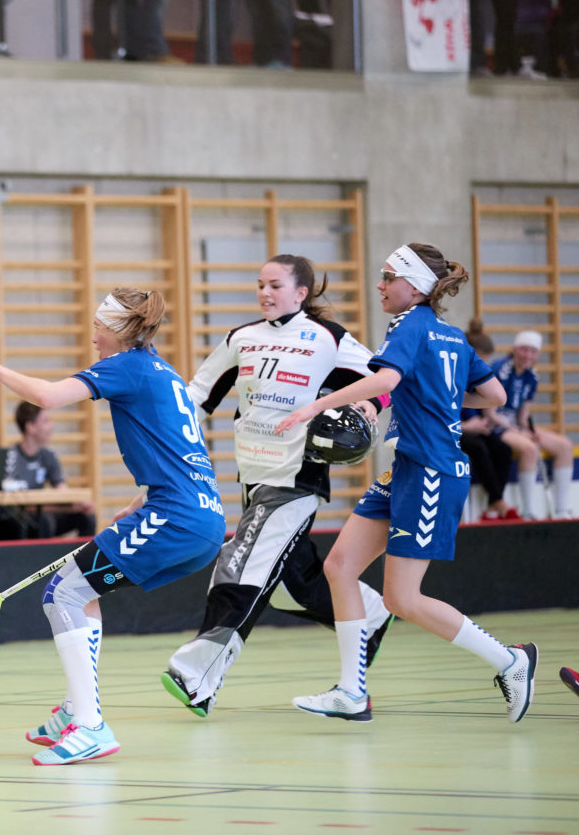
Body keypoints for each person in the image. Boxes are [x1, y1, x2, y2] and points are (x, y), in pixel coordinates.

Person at [0, 288, 227, 765]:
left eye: (101, 326)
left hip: (176, 518)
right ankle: (74, 710)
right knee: (80, 592)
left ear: (122, 330)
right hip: (198, 516)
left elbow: (46, 396)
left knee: (62, 593)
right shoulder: (163, 372)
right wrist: (138, 501)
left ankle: (89, 725)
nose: (94, 335)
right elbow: (180, 452)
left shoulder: (126, 365)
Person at [275, 242, 538, 724]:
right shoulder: (452, 336)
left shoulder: (409, 325)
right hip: (404, 470)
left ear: (414, 286)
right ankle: (352, 692)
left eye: (388, 276)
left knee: (402, 598)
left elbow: (385, 381)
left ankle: (511, 661)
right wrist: (438, 398)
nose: (380, 284)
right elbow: (494, 394)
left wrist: (315, 405)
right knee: (339, 567)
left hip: (431, 472)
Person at [161, 255, 393, 718]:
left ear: (301, 292)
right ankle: (370, 613)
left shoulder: (327, 338)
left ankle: (198, 675)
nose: (265, 293)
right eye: (260, 285)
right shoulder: (241, 339)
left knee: (239, 563)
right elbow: (195, 398)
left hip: (297, 477)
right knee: (294, 585)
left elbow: (385, 377)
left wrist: (370, 405)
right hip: (251, 476)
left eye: (275, 285)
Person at [484, 330, 574, 520]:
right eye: (524, 350)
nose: (528, 356)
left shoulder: (532, 376)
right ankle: (527, 511)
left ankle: (561, 510)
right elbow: (489, 414)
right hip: (495, 425)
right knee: (529, 448)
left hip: (515, 425)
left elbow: (523, 416)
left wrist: (529, 430)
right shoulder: (500, 369)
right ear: (515, 350)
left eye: (533, 352)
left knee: (565, 446)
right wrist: (519, 432)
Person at [0, 401, 95, 540]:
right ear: (30, 427)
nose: (51, 426)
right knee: (43, 520)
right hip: (14, 518)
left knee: (87, 517)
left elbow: (61, 491)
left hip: (42, 511)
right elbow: (15, 505)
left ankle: (85, 560)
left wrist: (77, 504)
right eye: (45, 421)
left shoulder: (48, 456)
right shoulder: (10, 457)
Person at [459, 319, 518, 521]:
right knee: (478, 448)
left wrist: (482, 423)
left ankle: (493, 504)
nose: (484, 367)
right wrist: (468, 426)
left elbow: (480, 408)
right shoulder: (452, 376)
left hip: (473, 429)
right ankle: (499, 502)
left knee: (503, 448)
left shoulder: (475, 378)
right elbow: (440, 415)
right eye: (481, 361)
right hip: (453, 431)